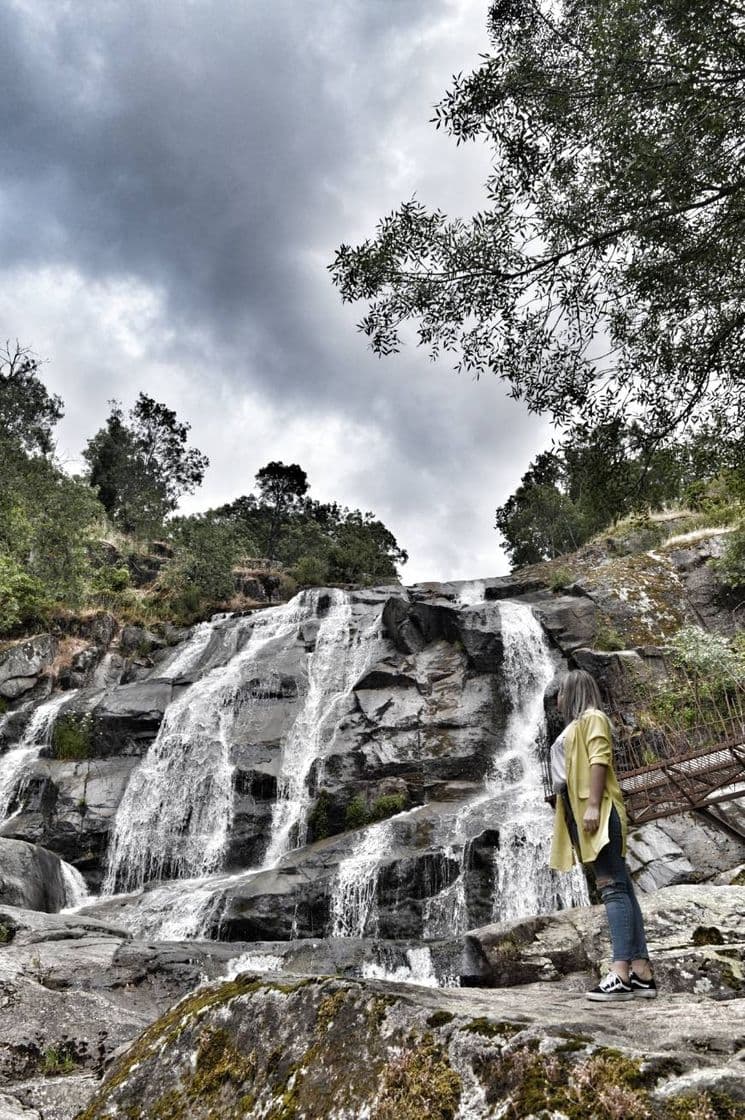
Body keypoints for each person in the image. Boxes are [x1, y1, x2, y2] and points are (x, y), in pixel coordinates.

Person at [548, 669, 657, 1002]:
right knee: (621, 888)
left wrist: (593, 806)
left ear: (575, 691)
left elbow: (599, 760)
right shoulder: (579, 724)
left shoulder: (592, 717)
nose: (557, 699)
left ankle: (620, 973)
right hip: (580, 813)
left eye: (561, 692)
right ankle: (641, 971)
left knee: (611, 890)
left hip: (596, 813)